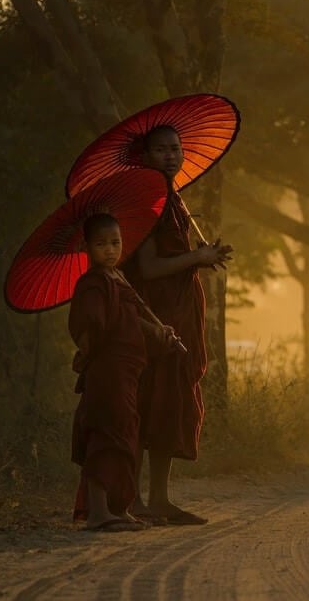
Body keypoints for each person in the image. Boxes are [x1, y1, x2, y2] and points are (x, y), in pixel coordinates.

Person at [123, 125, 232, 525]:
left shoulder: (174, 199)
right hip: (156, 316)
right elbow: (149, 268)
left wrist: (206, 254)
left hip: (179, 312)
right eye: (160, 150)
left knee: (171, 403)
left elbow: (180, 256)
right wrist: (195, 259)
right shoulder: (148, 200)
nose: (170, 155)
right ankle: (133, 499)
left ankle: (160, 499)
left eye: (175, 148)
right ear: (146, 156)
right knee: (149, 401)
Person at [68, 212, 177, 531]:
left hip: (129, 368)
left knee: (128, 433)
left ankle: (120, 506)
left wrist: (160, 331)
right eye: (101, 244)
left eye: (115, 243)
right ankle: (99, 512)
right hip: (107, 368)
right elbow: (95, 324)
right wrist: (87, 350)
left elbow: (132, 316)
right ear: (86, 247)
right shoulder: (91, 283)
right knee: (106, 432)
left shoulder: (118, 277)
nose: (110, 250)